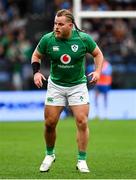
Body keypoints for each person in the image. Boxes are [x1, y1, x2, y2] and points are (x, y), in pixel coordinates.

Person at [31, 9, 104, 173]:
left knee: (82, 121)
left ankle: (82, 160)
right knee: (49, 124)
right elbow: (36, 56)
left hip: (77, 85)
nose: (56, 27)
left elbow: (98, 54)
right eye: (55, 23)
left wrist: (98, 71)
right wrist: (36, 72)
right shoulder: (47, 39)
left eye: (60, 24)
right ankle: (49, 155)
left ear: (70, 26)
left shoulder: (83, 39)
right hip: (55, 86)